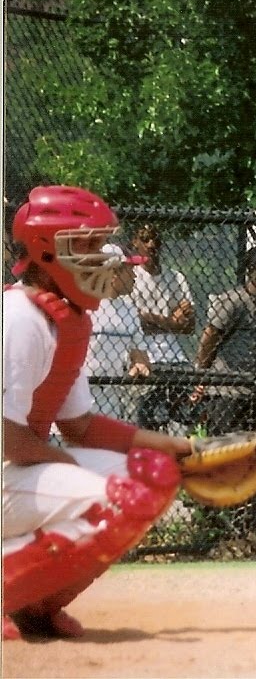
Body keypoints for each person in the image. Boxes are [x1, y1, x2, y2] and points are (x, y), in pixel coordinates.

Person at [2, 185, 192, 641]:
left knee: (155, 475)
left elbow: (80, 426)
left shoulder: (60, 319)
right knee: (117, 497)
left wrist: (184, 449)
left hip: (13, 470)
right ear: (47, 251)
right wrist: (66, 464)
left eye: (101, 242)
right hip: (9, 462)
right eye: (86, 244)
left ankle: (36, 606)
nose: (103, 256)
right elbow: (7, 438)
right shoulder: (18, 318)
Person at [193, 244, 256, 435]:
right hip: (228, 393)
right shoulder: (234, 300)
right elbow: (210, 335)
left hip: (254, 391)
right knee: (226, 447)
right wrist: (201, 374)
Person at [128, 223, 196, 433]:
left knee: (188, 413)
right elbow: (134, 322)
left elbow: (189, 326)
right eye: (145, 239)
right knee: (145, 419)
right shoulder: (131, 277)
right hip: (144, 355)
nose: (151, 244)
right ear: (135, 242)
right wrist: (171, 322)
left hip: (175, 357)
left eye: (155, 239)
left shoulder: (175, 277)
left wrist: (151, 318)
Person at [85, 243, 152, 422]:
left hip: (111, 404)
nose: (135, 276)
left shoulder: (130, 311)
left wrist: (139, 366)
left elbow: (140, 356)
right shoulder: (84, 306)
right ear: (113, 273)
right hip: (79, 399)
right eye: (130, 270)